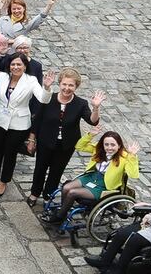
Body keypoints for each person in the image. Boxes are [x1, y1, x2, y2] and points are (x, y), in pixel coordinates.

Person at [28, 68, 104, 206]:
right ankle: (34, 193)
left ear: (76, 87)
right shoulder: (49, 98)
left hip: (66, 145)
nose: (67, 88)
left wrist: (96, 108)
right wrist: (32, 139)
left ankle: (48, 195)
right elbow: (37, 119)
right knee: (40, 168)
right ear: (59, 83)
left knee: (56, 171)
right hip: (45, 141)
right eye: (64, 84)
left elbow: (92, 120)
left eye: (71, 85)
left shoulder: (80, 103)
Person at [0, 53, 52, 198]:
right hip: (0, 119)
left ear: (25, 66)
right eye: (13, 64)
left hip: (19, 123)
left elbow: (43, 99)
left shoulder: (31, 80)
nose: (15, 67)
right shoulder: (2, 77)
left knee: (10, 153)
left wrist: (46, 87)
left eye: (19, 64)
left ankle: (4, 181)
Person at [42, 128, 139, 223]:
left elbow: (133, 175)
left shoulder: (125, 157)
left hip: (104, 185)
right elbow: (79, 146)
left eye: (113, 145)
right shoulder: (99, 150)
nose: (109, 148)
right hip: (92, 177)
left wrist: (132, 156)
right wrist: (90, 135)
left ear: (119, 145)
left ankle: (59, 217)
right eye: (106, 144)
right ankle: (64, 210)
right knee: (66, 187)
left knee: (72, 193)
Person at [85, 179, 151, 272]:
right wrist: (148, 205)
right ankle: (104, 262)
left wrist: (150, 220)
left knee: (134, 240)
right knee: (121, 233)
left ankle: (119, 270)